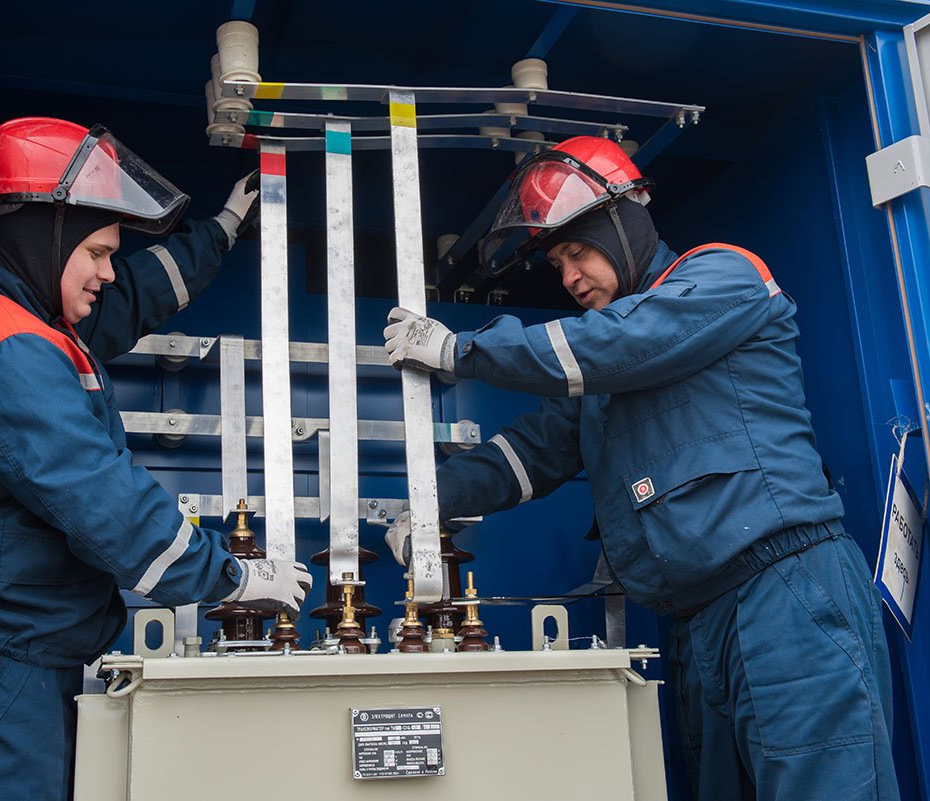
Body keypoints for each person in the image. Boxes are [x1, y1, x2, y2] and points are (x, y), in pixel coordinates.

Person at [382, 136, 898, 801]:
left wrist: (462, 350)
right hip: (698, 622)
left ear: (625, 221)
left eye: (578, 250)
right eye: (558, 262)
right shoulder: (601, 370)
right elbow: (528, 454)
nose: (568, 278)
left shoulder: (722, 277)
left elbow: (628, 340)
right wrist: (426, 504)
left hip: (786, 593)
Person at [0, 117, 312, 801]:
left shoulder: (27, 320)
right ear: (45, 239)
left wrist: (223, 226)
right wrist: (230, 577)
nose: (109, 273)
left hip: (10, 664)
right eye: (99, 252)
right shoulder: (7, 348)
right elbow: (100, 497)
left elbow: (135, 295)